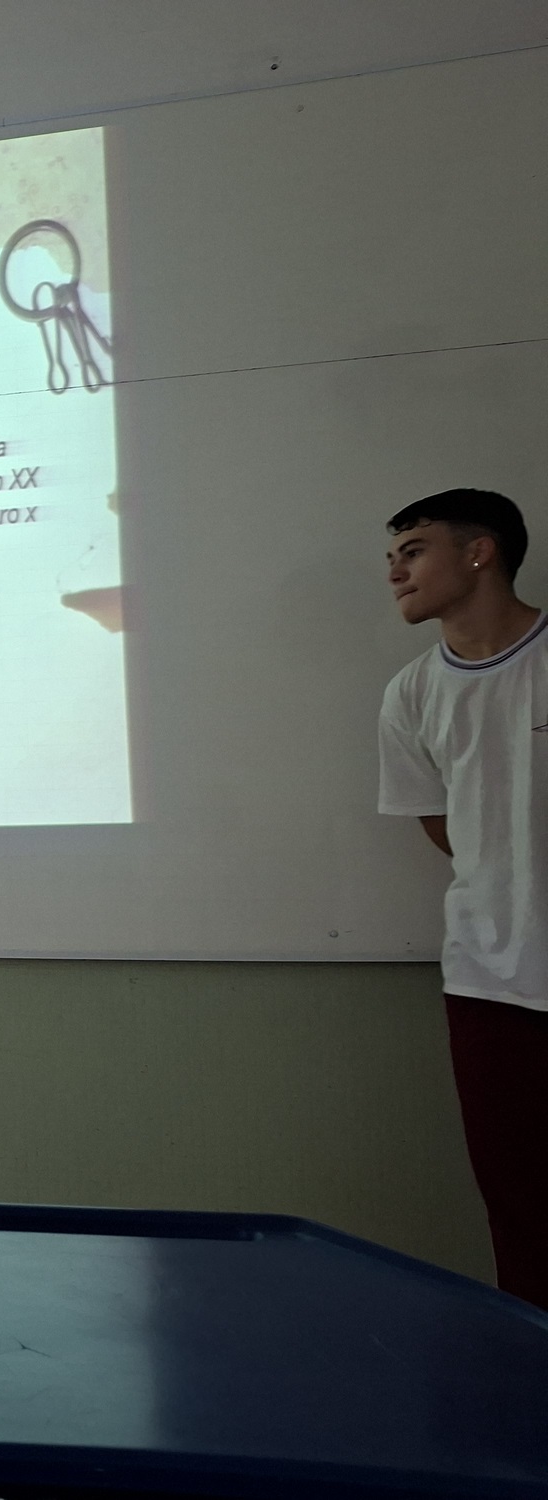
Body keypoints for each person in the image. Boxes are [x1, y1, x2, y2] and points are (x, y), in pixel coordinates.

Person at [379, 487, 548, 1309]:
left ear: (480, 552)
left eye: (413, 551)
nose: (395, 573)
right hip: (488, 984)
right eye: (391, 558)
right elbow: (444, 825)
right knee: (520, 1209)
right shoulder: (410, 693)